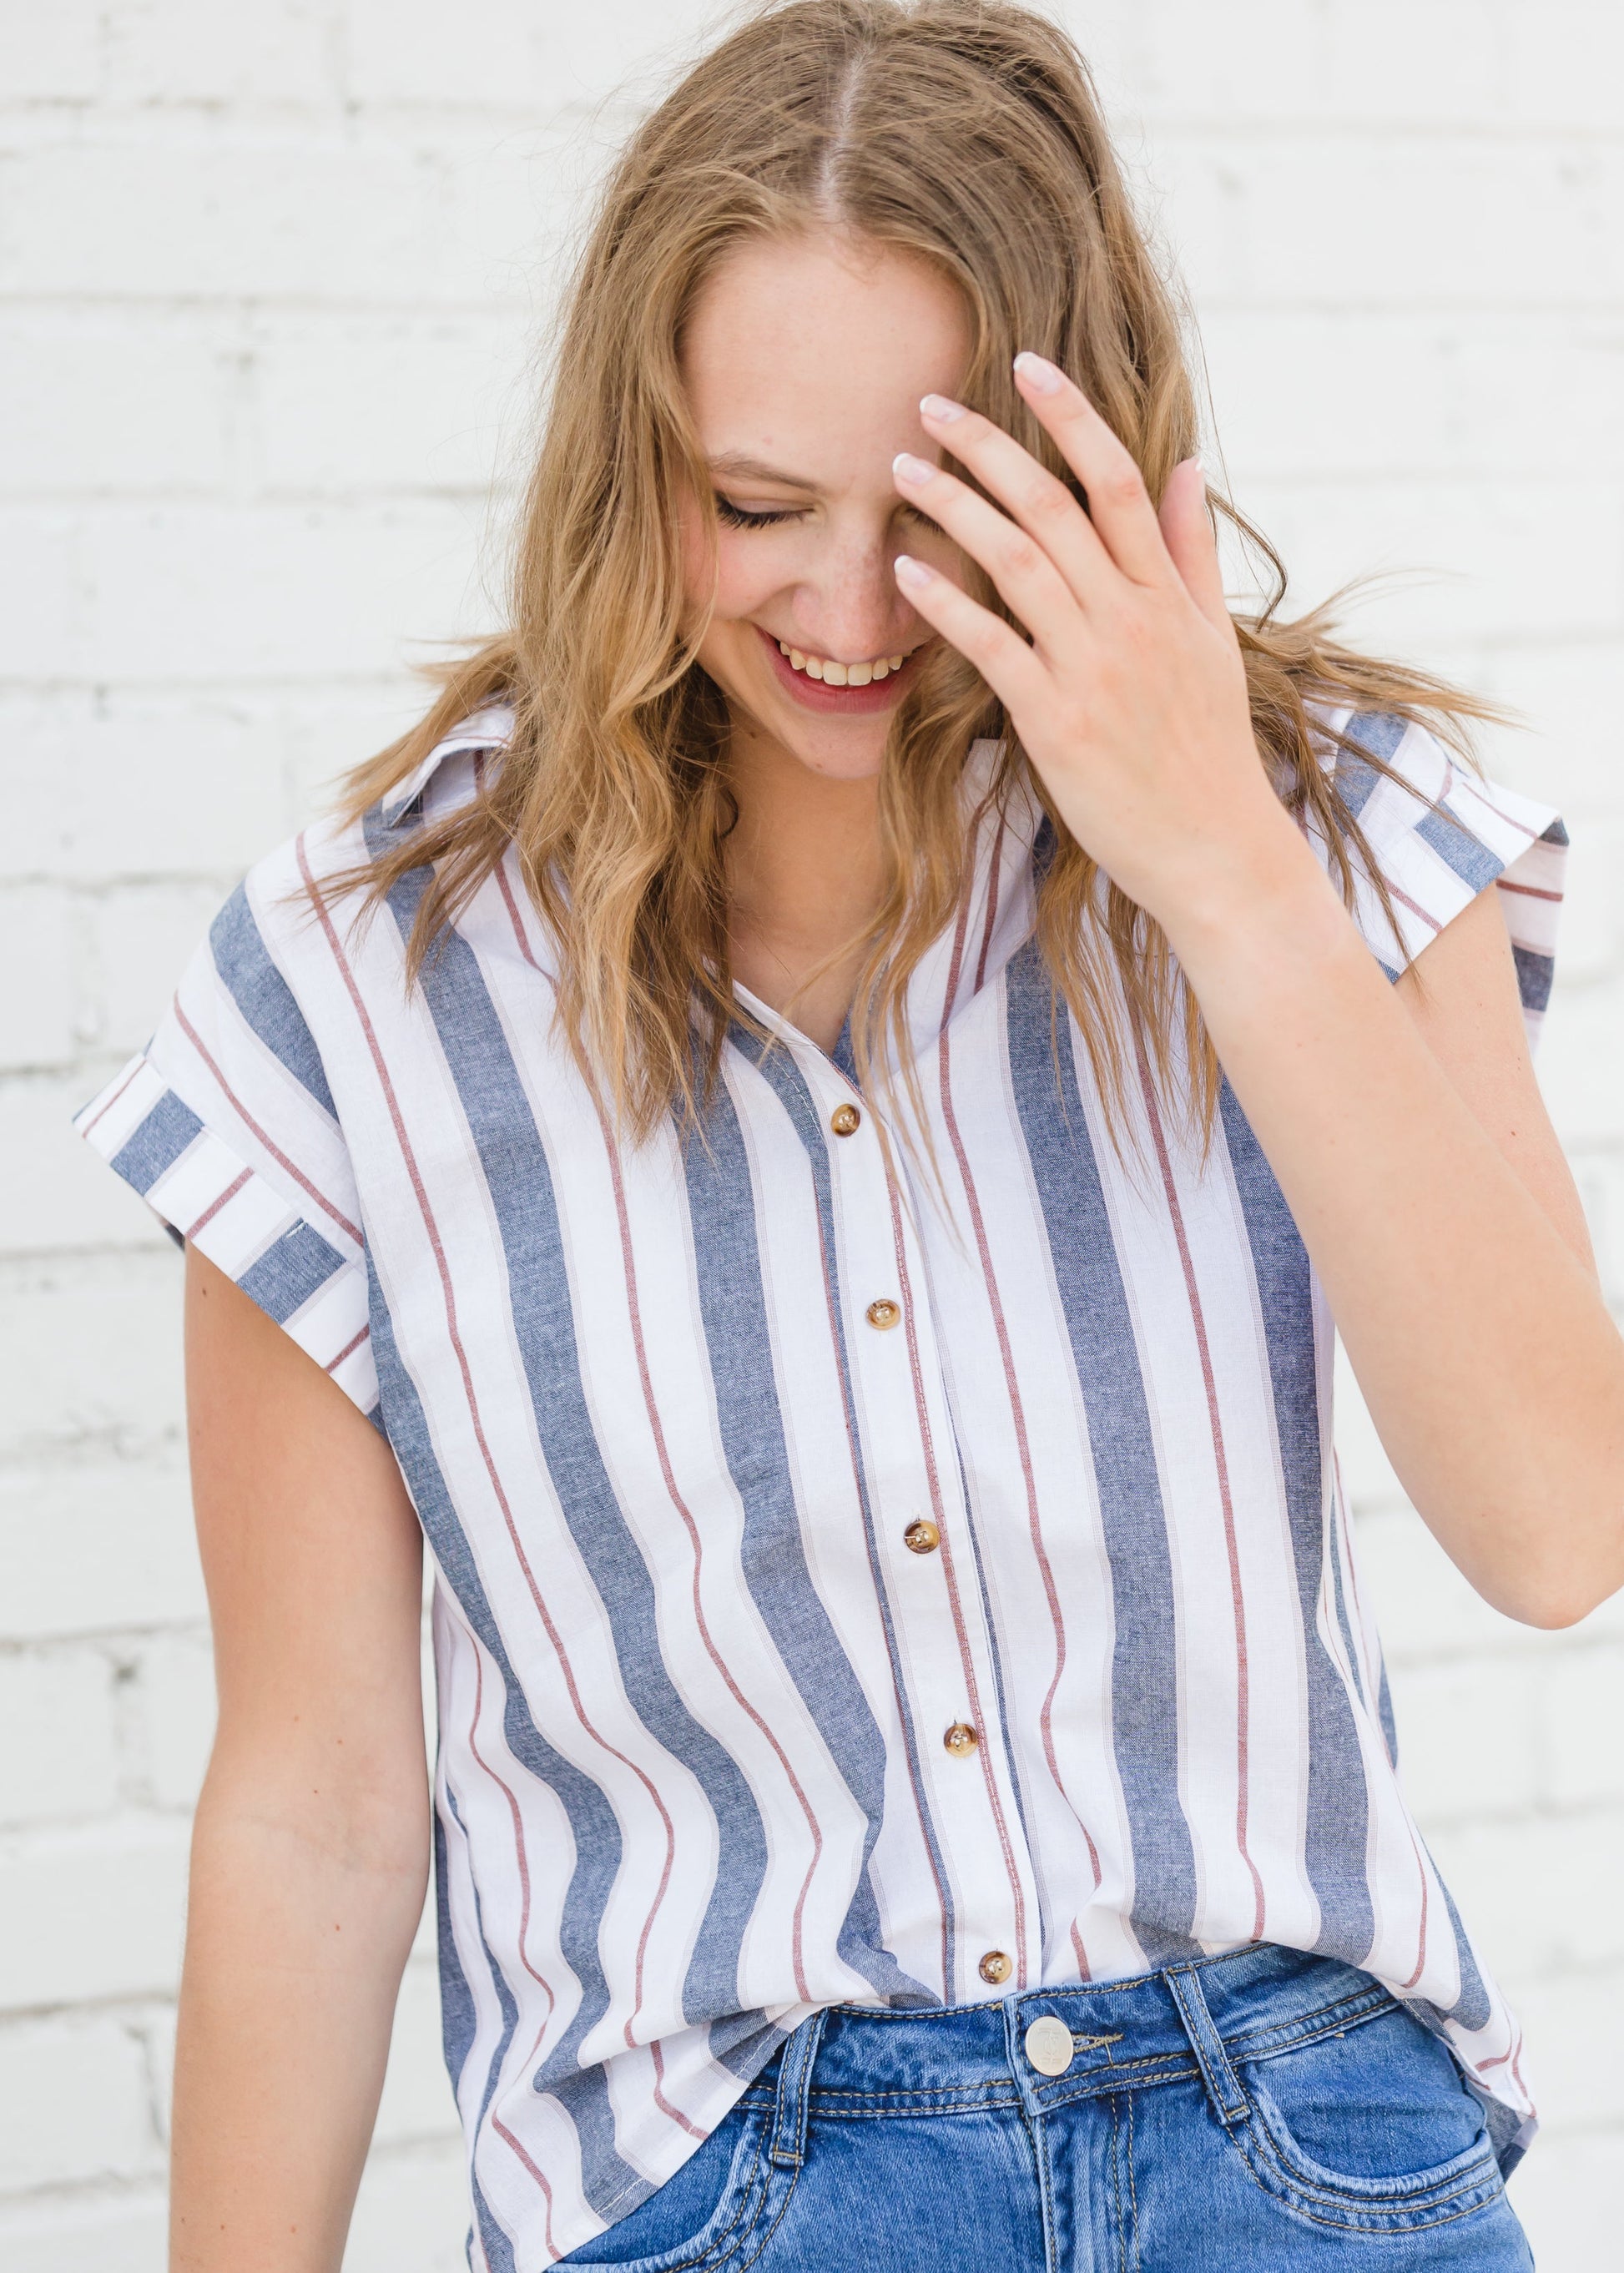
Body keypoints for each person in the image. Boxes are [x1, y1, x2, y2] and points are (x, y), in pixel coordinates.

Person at [76, 3, 1622, 2267]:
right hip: (730, 2182)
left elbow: (1554, 1522)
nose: (843, 609)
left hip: (1298, 2147)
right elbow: (315, 1809)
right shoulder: (357, 992)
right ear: (638, 467)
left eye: (938, 514)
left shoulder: (1326, 842)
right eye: (756, 505)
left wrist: (1214, 863)